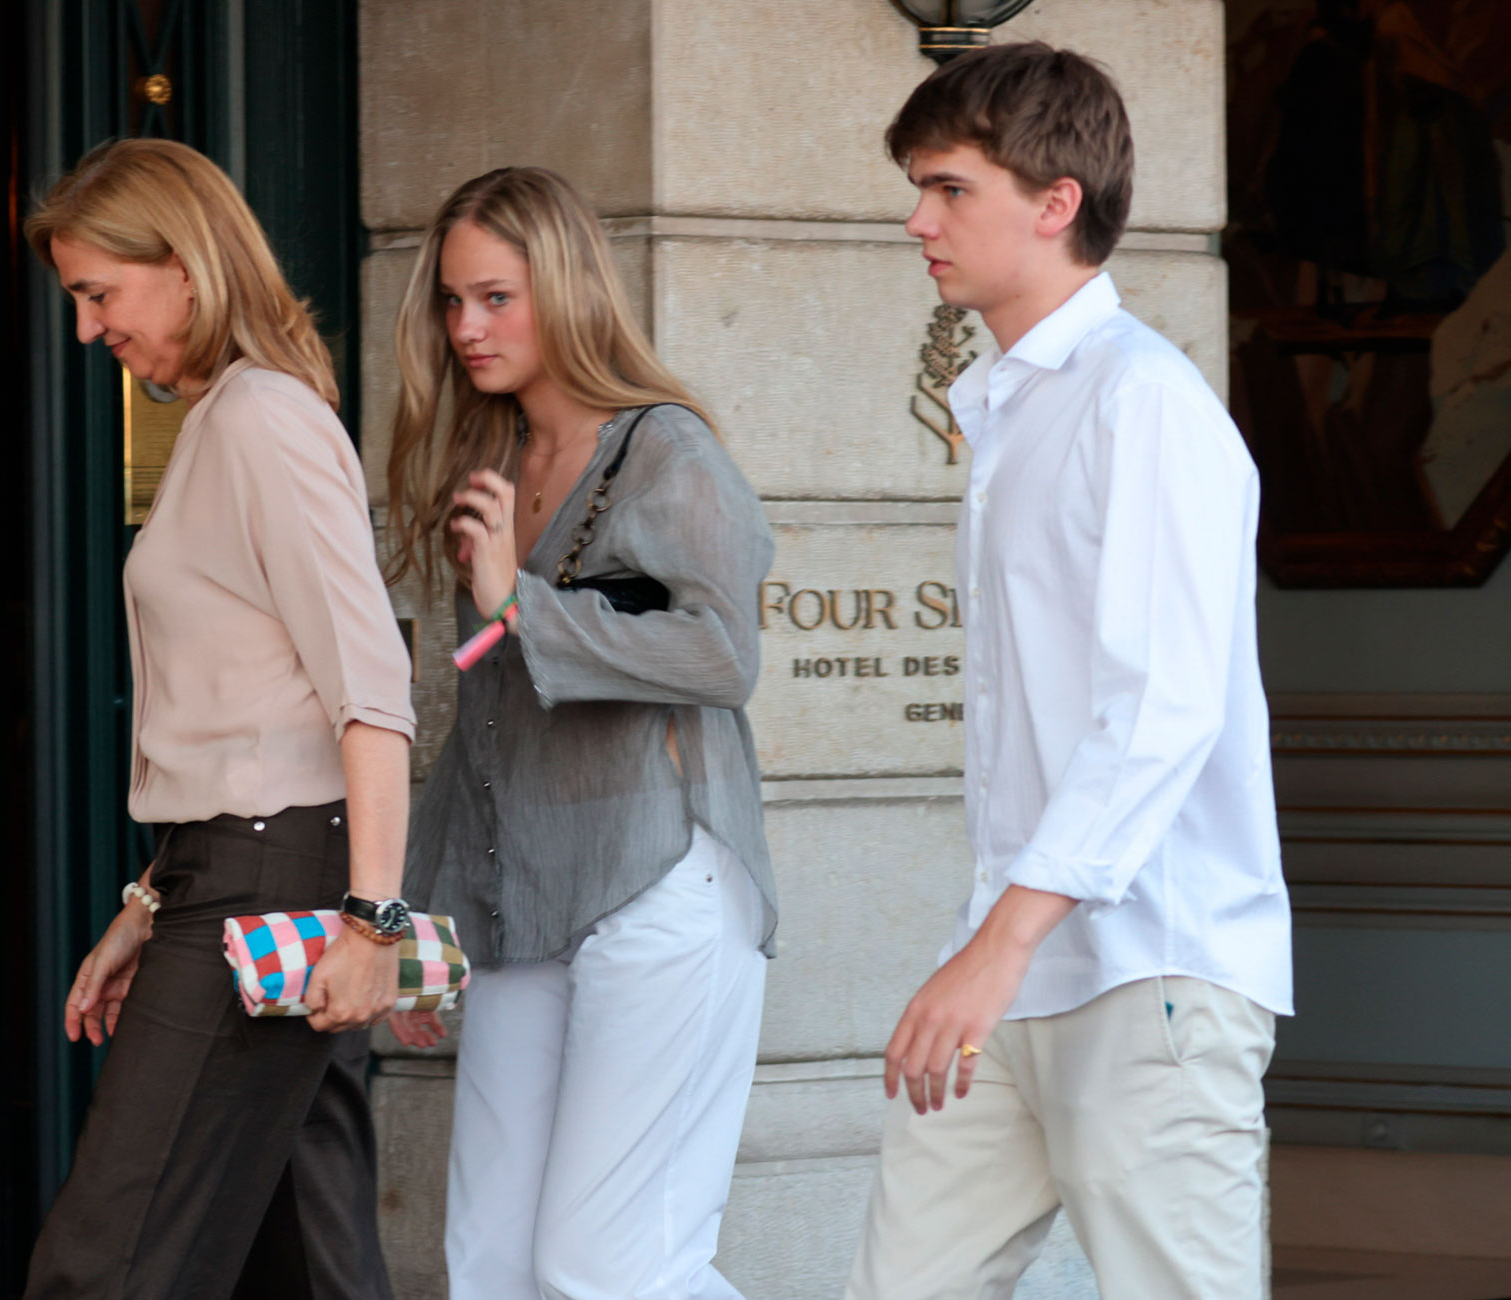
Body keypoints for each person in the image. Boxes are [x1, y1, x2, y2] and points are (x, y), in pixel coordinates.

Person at [844, 44, 1292, 1300]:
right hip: (1022, 966)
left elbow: (1164, 709)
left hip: (1151, 970)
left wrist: (997, 944)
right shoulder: (1010, 404)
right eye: (918, 188)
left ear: (1056, 203)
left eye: (949, 189)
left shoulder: (1141, 401)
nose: (917, 219)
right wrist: (995, 948)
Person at [19, 138, 416, 1300]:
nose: (89, 329)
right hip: (239, 874)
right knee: (305, 1257)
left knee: (108, 1260)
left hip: (278, 881)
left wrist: (374, 924)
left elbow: (370, 687)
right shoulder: (228, 421)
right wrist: (149, 901)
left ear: (186, 266)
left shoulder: (261, 422)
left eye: (101, 292)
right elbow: (245, 709)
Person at [381, 166, 777, 1300]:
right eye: (453, 301)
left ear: (563, 288)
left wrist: (521, 601)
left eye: (496, 297)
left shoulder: (668, 451)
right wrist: (417, 920)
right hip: (523, 903)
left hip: (660, 884)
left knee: (606, 1264)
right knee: (493, 1266)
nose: (466, 327)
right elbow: (483, 719)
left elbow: (723, 655)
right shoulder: (492, 465)